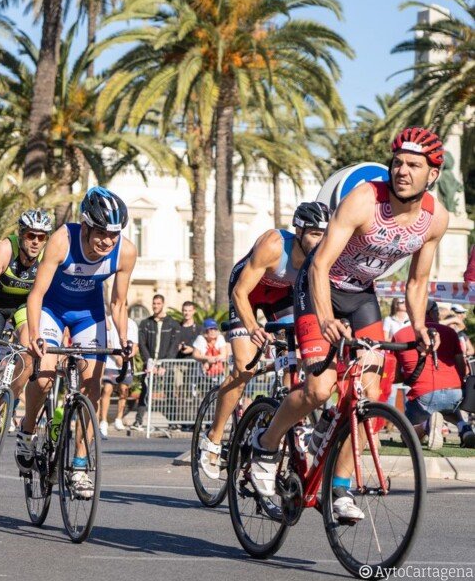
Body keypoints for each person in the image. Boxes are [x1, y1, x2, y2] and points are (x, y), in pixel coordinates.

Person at [250, 127, 450, 522]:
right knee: (319, 387)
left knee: (370, 397)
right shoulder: (364, 200)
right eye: (397, 163)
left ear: (433, 174)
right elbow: (319, 264)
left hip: (360, 296)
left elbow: (417, 282)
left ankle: (338, 488)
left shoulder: (436, 219)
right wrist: (325, 318)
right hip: (320, 287)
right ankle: (265, 445)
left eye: (413, 165)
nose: (402, 171)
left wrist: (419, 326)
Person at [20, 187, 136, 499]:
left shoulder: (126, 252)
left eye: (114, 234)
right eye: (101, 233)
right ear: (85, 226)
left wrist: (124, 339)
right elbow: (36, 294)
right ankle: (27, 430)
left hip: (89, 314)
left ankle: (80, 465)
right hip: (52, 309)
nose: (107, 242)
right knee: (43, 377)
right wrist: (35, 334)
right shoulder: (63, 240)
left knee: (92, 388)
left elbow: (118, 303)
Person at [198, 202, 329, 479]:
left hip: (281, 297)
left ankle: (271, 419)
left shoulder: (323, 257)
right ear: (299, 231)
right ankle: (214, 437)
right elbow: (239, 293)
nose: (321, 241)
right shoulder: (273, 245)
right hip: (247, 292)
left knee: (295, 361)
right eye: (315, 234)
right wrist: (252, 326)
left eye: (325, 235)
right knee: (245, 367)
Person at [0, 209, 53, 428]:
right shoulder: (5, 249)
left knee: (29, 349)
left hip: (22, 306)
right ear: (21, 234)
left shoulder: (46, 257)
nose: (36, 242)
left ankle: (7, 401)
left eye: (41, 237)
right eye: (31, 235)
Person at [395, 300, 475, 448]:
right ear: (432, 313)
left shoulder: (399, 334)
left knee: (407, 437)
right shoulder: (450, 332)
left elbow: (396, 374)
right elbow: (462, 368)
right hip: (455, 392)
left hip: (423, 395)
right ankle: (464, 428)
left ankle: (426, 425)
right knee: (447, 406)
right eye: (437, 312)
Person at [134, 294, 180, 429]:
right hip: (150, 364)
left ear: (163, 304)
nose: (155, 306)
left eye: (158, 303)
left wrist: (165, 364)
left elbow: (174, 345)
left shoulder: (172, 323)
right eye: (154, 303)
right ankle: (138, 421)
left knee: (169, 392)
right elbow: (142, 344)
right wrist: (149, 361)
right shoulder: (145, 323)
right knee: (145, 392)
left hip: (165, 364)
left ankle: (173, 422)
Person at [99, 313, 139, 437]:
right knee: (107, 389)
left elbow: (135, 346)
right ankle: (103, 421)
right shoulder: (109, 321)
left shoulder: (132, 323)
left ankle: (118, 418)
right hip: (111, 363)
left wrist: (128, 357)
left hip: (126, 363)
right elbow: (107, 342)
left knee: (124, 390)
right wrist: (117, 357)